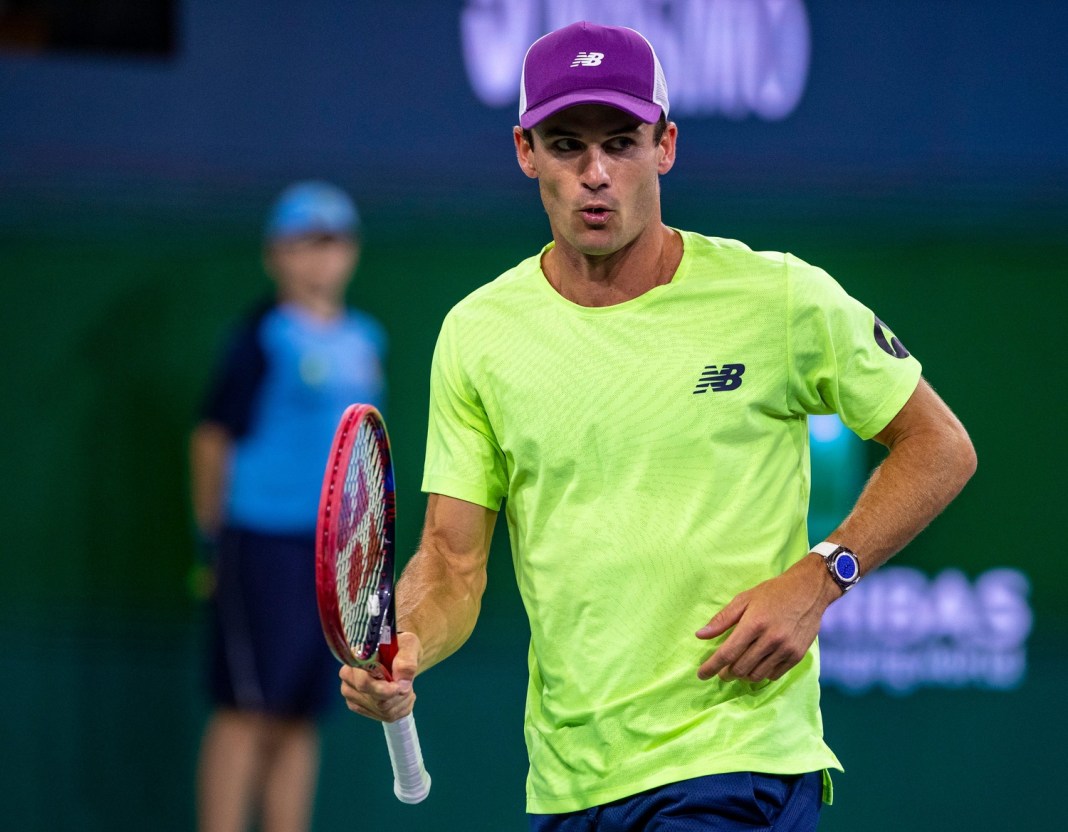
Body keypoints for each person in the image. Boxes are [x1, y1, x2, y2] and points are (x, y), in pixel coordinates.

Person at [339, 21, 976, 831]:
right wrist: (409, 644)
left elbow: (940, 446)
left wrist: (820, 576)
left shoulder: (778, 297)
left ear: (666, 146)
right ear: (525, 152)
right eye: (567, 145)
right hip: (572, 785)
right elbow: (453, 565)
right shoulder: (479, 333)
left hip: (738, 761)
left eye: (623, 143)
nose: (595, 174)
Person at [191, 180, 386, 832]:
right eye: (305, 243)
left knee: (301, 712)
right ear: (277, 254)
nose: (320, 258)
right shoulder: (260, 337)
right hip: (260, 544)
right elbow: (212, 439)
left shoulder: (366, 340)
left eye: (333, 242)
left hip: (332, 559)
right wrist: (209, 544)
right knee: (248, 710)